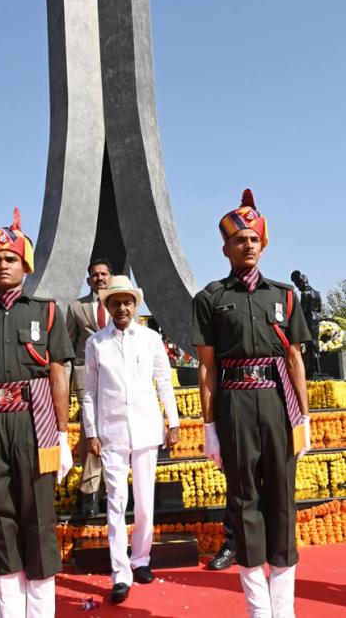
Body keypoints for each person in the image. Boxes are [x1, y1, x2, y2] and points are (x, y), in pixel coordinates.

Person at [193, 189, 311, 618]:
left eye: (253, 238)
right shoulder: (210, 298)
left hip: (278, 400)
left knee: (282, 499)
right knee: (243, 501)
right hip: (235, 401)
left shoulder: (284, 296)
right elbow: (207, 368)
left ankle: (285, 607)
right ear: (224, 247)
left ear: (263, 244)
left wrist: (304, 418)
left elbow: (294, 358)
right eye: (239, 239)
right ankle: (259, 608)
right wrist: (209, 426)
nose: (247, 244)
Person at [0, 209, 74, 618]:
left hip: (35, 426)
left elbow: (59, 378)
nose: (2, 265)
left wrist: (62, 435)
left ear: (26, 264)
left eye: (10, 258)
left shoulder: (48, 312)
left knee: (38, 519)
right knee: (0, 521)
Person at [83, 275, 180, 605]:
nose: (121, 307)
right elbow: (89, 393)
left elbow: (164, 381)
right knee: (115, 503)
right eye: (115, 302)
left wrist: (174, 422)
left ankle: (140, 559)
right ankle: (120, 572)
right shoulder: (96, 343)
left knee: (143, 502)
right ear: (107, 306)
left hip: (146, 429)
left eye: (127, 302)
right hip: (111, 432)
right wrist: (91, 432)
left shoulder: (151, 339)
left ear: (135, 305)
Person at [65, 258, 112, 517]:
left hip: (116, 377)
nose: (100, 278)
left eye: (104, 274)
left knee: (112, 429)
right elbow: (69, 347)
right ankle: (91, 490)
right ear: (89, 280)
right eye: (95, 275)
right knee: (90, 430)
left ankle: (104, 488)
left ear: (111, 277)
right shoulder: (76, 308)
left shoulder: (123, 305)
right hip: (86, 375)